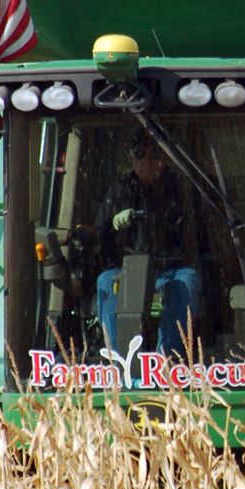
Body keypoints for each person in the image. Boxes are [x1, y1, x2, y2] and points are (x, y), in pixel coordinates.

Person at [95, 128, 201, 355]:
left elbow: (192, 233)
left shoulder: (179, 188)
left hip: (168, 269)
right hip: (125, 270)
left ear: (163, 158)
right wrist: (113, 224)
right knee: (105, 282)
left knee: (188, 281)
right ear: (131, 158)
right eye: (140, 155)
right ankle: (118, 360)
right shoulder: (119, 190)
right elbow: (98, 234)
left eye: (153, 155)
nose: (147, 162)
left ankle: (166, 360)